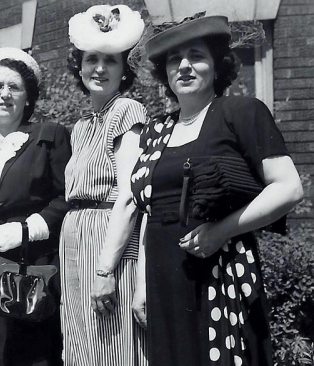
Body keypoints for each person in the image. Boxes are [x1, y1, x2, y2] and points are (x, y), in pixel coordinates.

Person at [130, 13, 303, 366]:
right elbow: (151, 214)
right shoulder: (155, 131)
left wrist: (220, 230)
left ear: (216, 64)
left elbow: (288, 188)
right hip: (163, 275)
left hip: (220, 269)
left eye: (196, 55)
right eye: (175, 59)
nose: (184, 66)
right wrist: (141, 284)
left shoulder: (240, 112)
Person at [0, 47, 71, 366]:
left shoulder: (48, 136)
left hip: (34, 268)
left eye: (14, 87)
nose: (5, 94)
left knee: (34, 356)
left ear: (28, 97)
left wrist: (27, 229)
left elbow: (69, 197)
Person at [59, 5, 148, 366]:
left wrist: (105, 270)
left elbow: (129, 197)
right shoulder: (81, 125)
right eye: (90, 59)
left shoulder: (126, 111)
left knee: (113, 346)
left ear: (124, 69)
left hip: (107, 242)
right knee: (82, 346)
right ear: (78, 66)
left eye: (110, 60)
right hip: (76, 241)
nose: (99, 68)